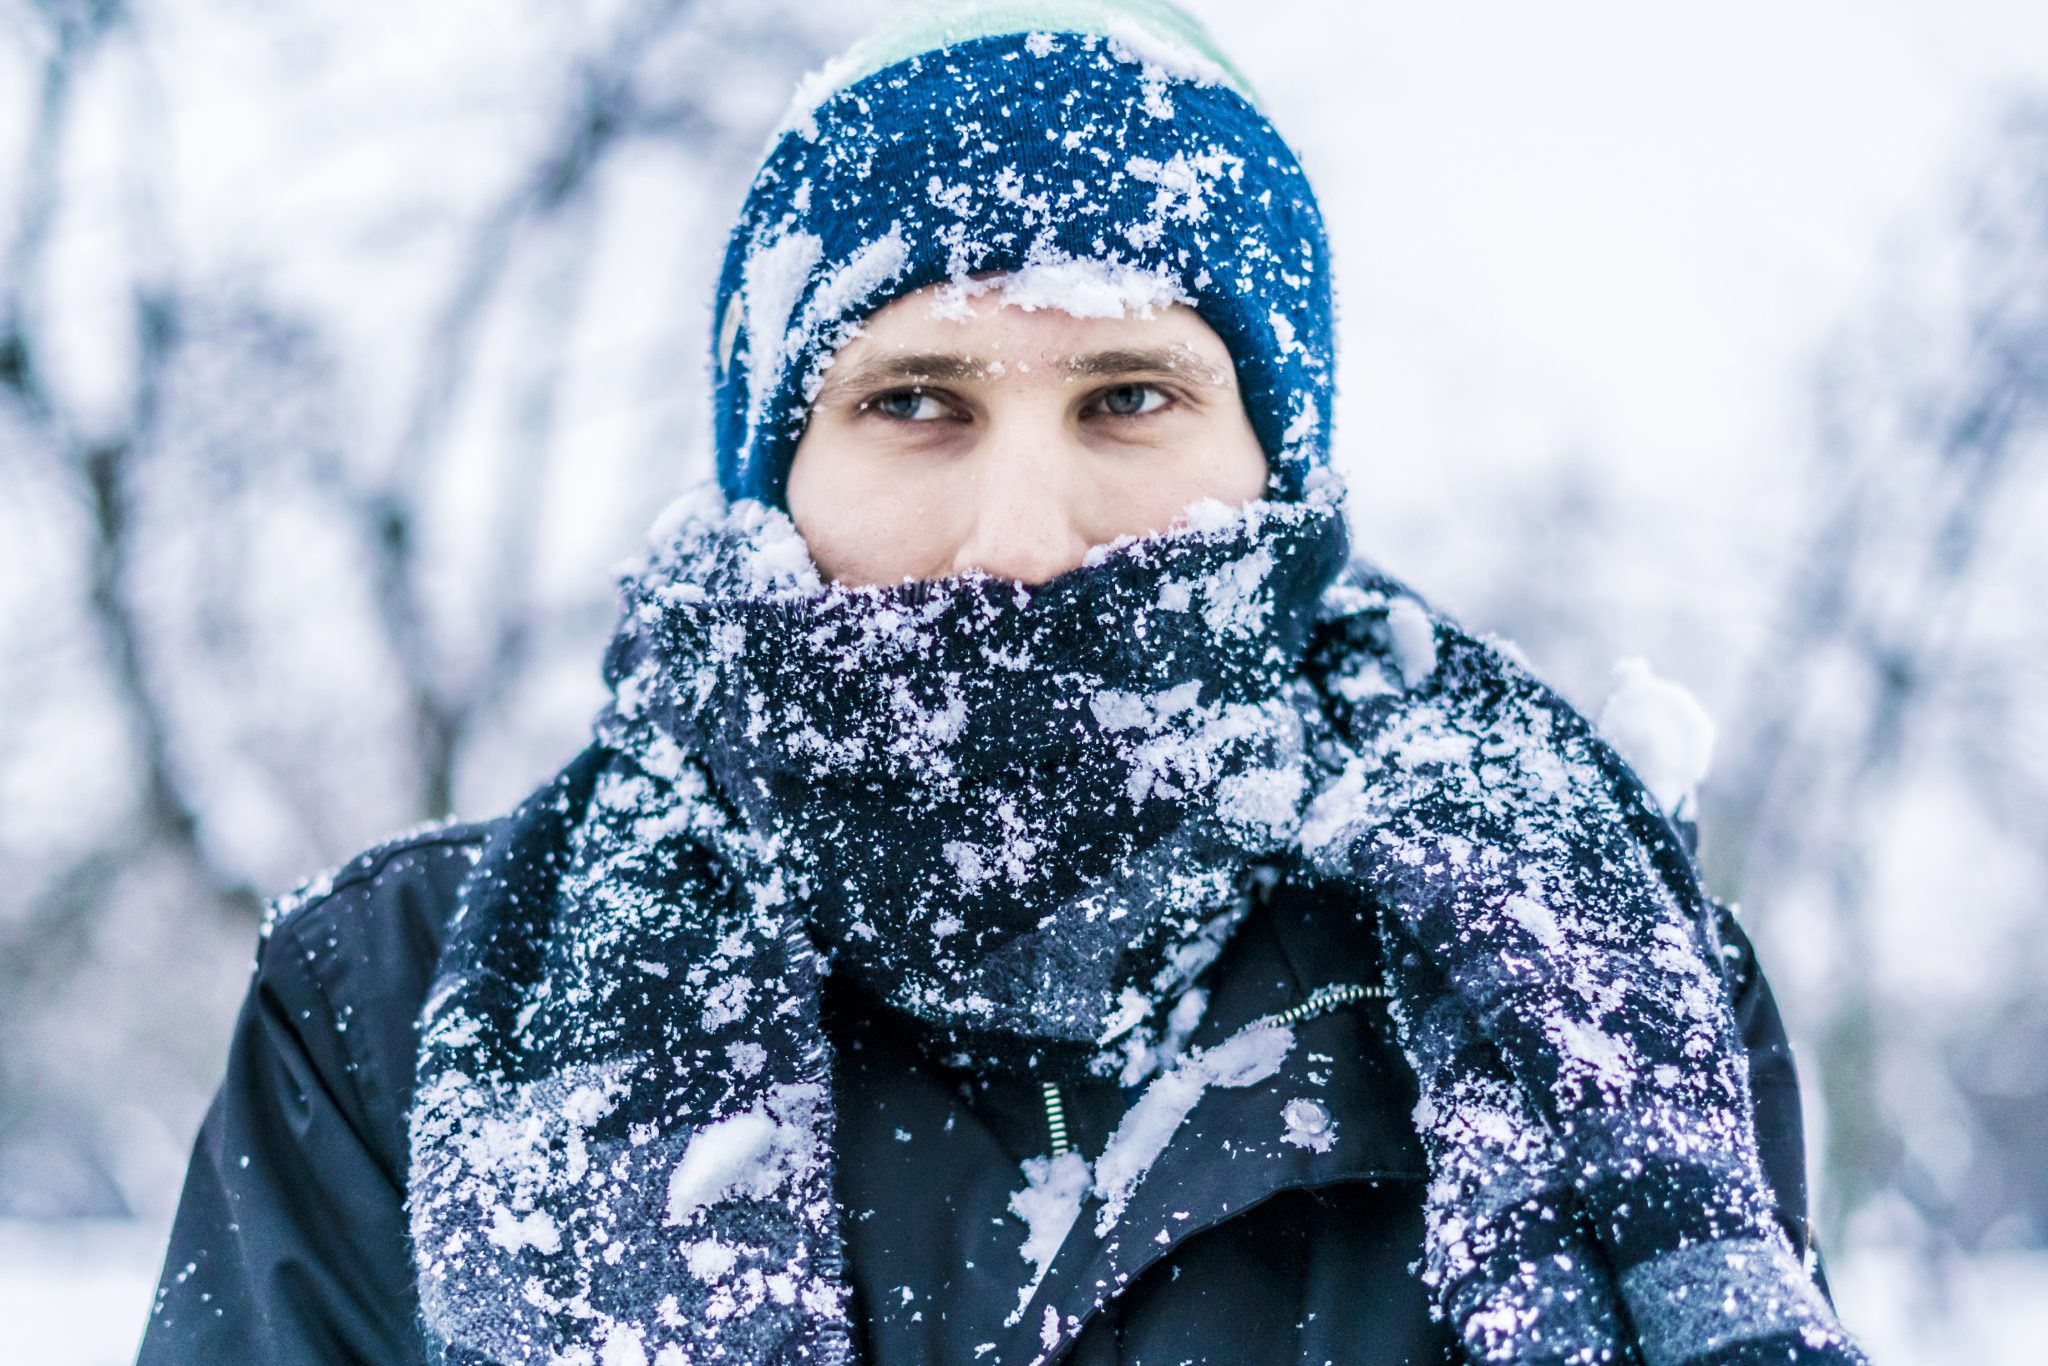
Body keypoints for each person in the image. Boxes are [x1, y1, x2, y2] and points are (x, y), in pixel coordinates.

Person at [140, 3, 1867, 1363]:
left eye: (1128, 396)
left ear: (1277, 465)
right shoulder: (397, 1008)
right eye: (912, 400)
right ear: (773, 468)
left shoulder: (1575, 980)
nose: (1019, 535)